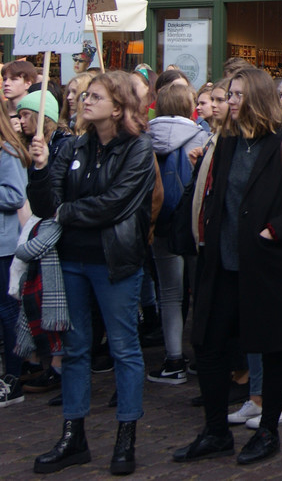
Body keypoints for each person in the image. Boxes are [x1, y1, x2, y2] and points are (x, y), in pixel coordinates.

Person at [174, 67, 282, 466]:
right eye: (229, 94)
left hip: (267, 266)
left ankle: (268, 431)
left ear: (255, 98)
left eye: (238, 94)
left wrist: (275, 230)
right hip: (221, 264)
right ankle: (215, 431)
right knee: (208, 345)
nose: (230, 102)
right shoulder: (225, 143)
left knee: (272, 349)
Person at [28, 72, 156, 475]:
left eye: (94, 96)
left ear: (117, 108)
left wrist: (67, 212)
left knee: (123, 348)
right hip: (71, 261)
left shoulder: (137, 149)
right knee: (76, 348)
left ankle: (125, 437)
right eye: (84, 95)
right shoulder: (73, 145)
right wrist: (40, 168)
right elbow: (48, 202)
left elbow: (115, 204)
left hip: (114, 263)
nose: (83, 101)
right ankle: (73, 436)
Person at [146, 85, 208, 385]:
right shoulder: (202, 136)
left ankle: (173, 360)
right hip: (194, 224)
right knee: (199, 290)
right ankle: (200, 354)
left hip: (162, 224)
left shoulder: (146, 139)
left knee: (169, 294)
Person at [0, 109, 28, 409]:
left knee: (8, 312)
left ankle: (14, 375)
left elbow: (15, 195)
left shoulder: (7, 151)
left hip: (4, 244)